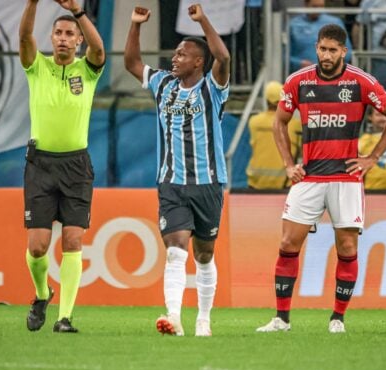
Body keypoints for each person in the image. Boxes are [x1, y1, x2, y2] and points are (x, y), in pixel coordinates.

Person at [256, 24, 386, 334]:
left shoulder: (360, 82)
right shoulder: (298, 82)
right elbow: (279, 123)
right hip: (308, 177)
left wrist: (372, 157)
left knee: (347, 248)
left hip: (346, 179)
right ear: (316, 48)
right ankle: (281, 319)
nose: (326, 55)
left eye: (333, 50)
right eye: (322, 49)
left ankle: (337, 319)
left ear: (344, 51)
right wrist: (287, 164)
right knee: (287, 242)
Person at [124, 4, 230, 337]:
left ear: (199, 62)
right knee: (175, 249)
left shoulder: (212, 88)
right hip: (171, 183)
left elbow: (223, 58)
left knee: (204, 254)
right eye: (175, 53)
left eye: (182, 54)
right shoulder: (163, 84)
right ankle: (173, 316)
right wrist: (135, 26)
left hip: (208, 183)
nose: (175, 58)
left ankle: (203, 319)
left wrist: (202, 21)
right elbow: (131, 63)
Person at [20, 0, 105, 333]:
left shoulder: (87, 70)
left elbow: (100, 51)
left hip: (76, 166)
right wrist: (32, 2)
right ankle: (42, 294)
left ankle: (64, 317)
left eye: (70, 34)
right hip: (40, 165)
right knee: (38, 246)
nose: (63, 38)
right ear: (51, 36)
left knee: (72, 241)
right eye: (58, 32)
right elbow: (25, 35)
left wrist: (80, 13)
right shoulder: (36, 66)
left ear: (78, 40)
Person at [247, 81, 302, 189]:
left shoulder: (254, 122)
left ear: (266, 100)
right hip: (285, 183)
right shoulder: (295, 124)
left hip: (256, 183)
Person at [289, 0, 353, 73]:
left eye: (321, 6)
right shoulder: (294, 25)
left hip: (331, 75)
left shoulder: (335, 23)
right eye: (314, 7)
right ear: (306, 4)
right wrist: (298, 63)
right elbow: (284, 55)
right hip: (302, 75)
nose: (318, 10)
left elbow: (347, 51)